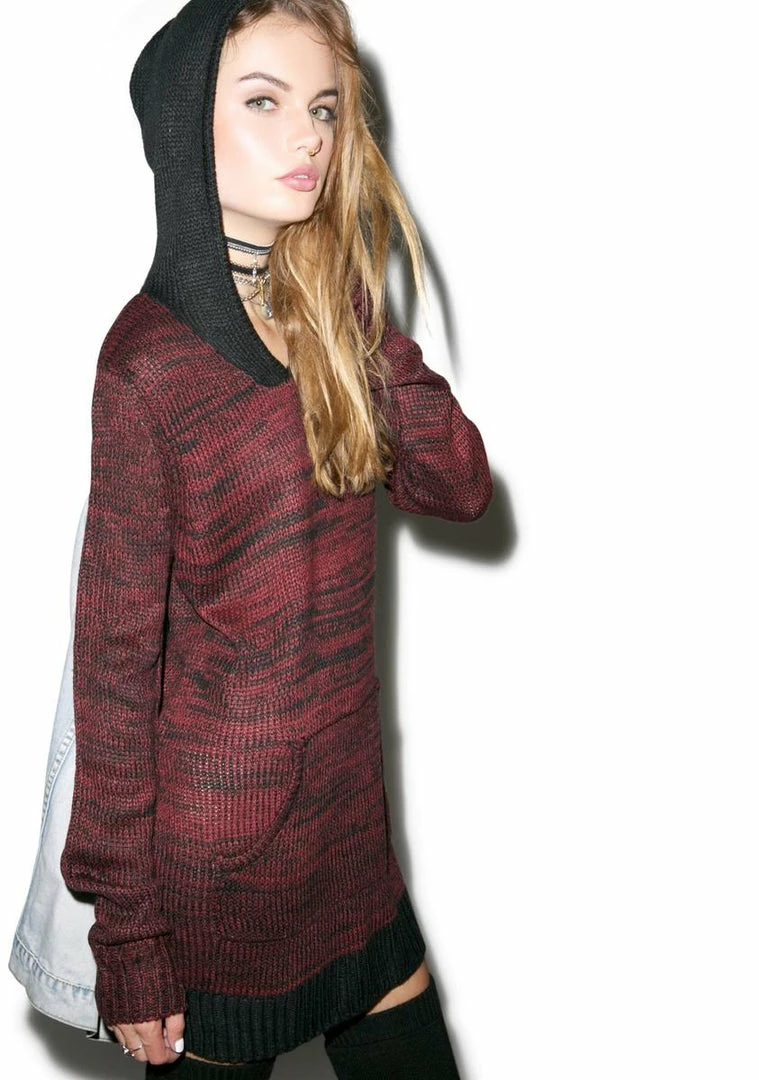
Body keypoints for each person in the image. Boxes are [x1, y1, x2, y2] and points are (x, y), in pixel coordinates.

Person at [58, 0, 492, 1076]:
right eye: (265, 102)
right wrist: (130, 942)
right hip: (219, 888)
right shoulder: (146, 368)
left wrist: (356, 324)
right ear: (183, 128)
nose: (308, 135)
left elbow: (458, 484)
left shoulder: (333, 317)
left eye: (325, 109)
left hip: (349, 842)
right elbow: (113, 669)